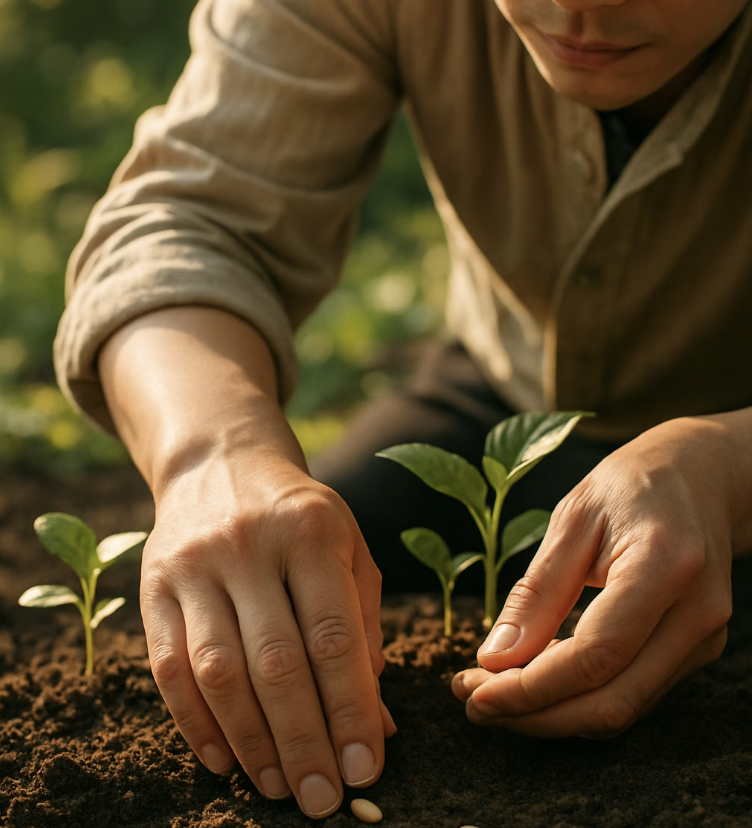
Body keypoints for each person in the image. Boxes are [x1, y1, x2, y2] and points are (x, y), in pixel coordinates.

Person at [55, 0, 752, 819]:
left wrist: (732, 469)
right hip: (502, 386)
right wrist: (212, 458)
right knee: (296, 591)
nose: (578, 7)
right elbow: (186, 219)